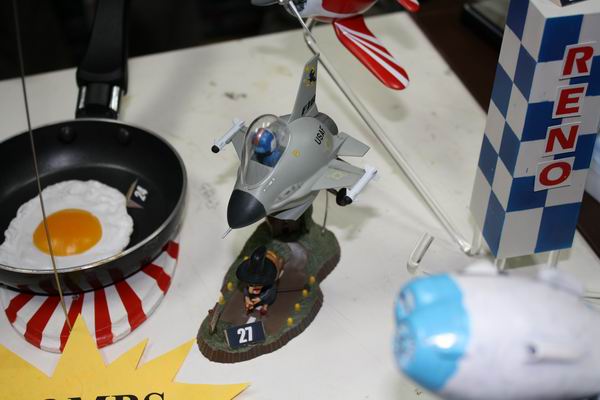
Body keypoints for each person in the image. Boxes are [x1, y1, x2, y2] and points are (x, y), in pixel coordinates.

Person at [236, 246, 279, 315]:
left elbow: (270, 291)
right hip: (259, 292)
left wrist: (260, 298)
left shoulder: (269, 281)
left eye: (257, 284)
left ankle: (265, 305)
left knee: (268, 297)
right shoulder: (248, 282)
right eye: (250, 284)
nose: (252, 287)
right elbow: (246, 289)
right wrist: (247, 297)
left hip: (266, 294)